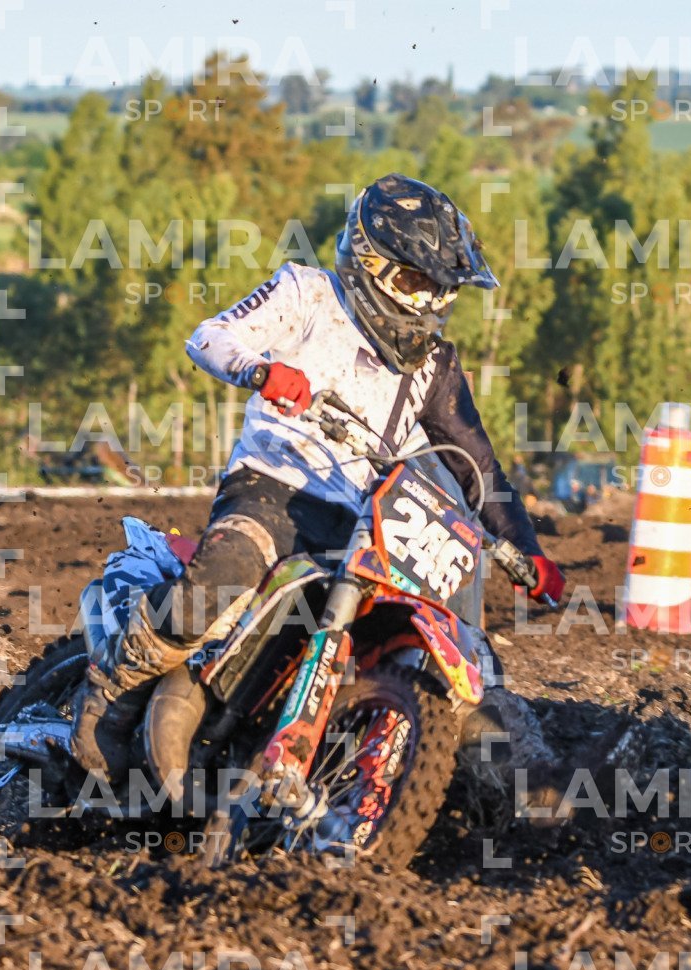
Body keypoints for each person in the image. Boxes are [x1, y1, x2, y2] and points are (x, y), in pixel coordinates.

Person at [68, 173, 565, 781]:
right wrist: (260, 372)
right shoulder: (307, 294)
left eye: (441, 290)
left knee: (453, 643)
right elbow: (209, 337)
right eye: (417, 283)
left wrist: (528, 550)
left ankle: (483, 777)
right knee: (222, 579)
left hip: (366, 522)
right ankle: (110, 695)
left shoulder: (436, 365)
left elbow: (477, 465)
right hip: (272, 491)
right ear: (371, 265)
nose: (430, 304)